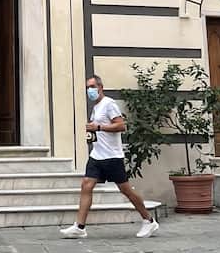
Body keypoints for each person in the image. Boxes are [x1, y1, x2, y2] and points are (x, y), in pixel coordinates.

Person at [60, 74, 159, 239]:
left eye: (92, 87)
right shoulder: (96, 107)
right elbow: (98, 129)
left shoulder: (109, 104)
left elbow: (121, 126)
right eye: (87, 88)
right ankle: (80, 226)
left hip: (112, 156)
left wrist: (98, 127)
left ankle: (149, 220)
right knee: (86, 185)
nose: (89, 90)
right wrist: (92, 132)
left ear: (100, 87)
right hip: (97, 155)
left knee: (125, 190)